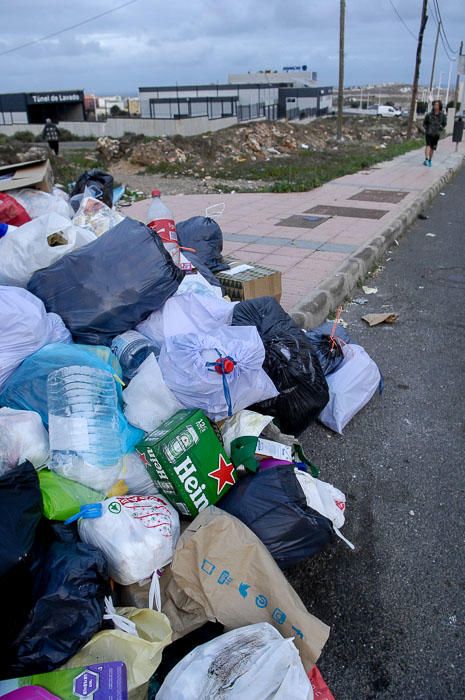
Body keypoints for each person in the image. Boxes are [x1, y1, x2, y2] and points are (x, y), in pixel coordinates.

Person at [422, 100, 447, 167]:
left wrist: (440, 129)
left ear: (440, 106)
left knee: (432, 148)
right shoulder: (429, 114)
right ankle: (426, 159)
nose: (435, 106)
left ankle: (430, 160)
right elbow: (424, 123)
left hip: (436, 134)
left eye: (437, 105)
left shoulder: (442, 115)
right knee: (428, 145)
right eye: (435, 105)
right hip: (429, 133)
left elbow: (444, 124)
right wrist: (427, 129)